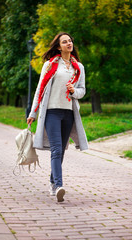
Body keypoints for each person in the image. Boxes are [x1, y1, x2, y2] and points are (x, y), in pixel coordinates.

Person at [27, 32, 88, 202]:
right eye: (64, 41)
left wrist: (73, 91)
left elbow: (82, 91)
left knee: (61, 150)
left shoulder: (79, 67)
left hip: (68, 113)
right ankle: (58, 185)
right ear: (58, 46)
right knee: (56, 149)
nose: (69, 43)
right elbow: (40, 89)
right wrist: (33, 112)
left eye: (70, 40)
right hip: (52, 112)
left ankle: (52, 181)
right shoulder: (50, 65)